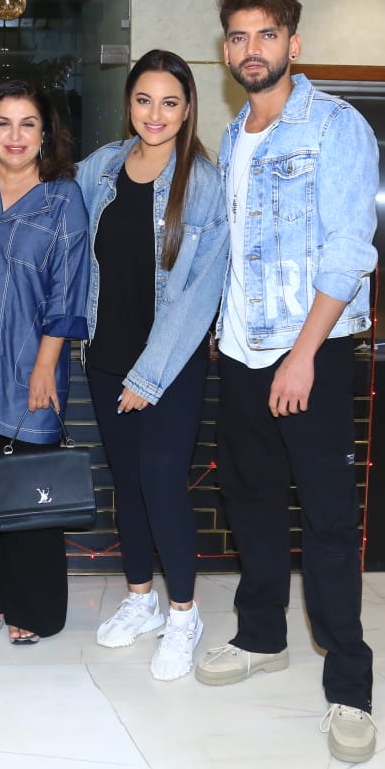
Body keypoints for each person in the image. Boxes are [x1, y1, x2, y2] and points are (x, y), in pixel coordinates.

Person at [198, 0, 380, 764]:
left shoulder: (335, 126)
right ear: (226, 49)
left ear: (293, 44)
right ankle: (261, 636)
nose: (252, 50)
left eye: (266, 35)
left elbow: (348, 250)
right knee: (251, 500)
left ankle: (350, 686)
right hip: (242, 353)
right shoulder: (233, 134)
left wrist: (303, 355)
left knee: (329, 519)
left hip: (312, 353)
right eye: (239, 37)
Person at [76, 50, 229, 680]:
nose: (155, 114)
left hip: (171, 363)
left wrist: (149, 374)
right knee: (128, 481)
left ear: (188, 108)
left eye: (170, 102)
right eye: (144, 100)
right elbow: (46, 192)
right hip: (106, 354)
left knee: (162, 478)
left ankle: (183, 614)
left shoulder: (205, 182)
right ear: (129, 103)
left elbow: (200, 291)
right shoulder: (102, 167)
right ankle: (140, 599)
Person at [0, 79, 89, 646]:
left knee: (30, 492)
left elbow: (68, 293)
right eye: (3, 123)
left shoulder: (62, 198)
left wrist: (45, 366)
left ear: (46, 133)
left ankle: (34, 605)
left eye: (28, 124)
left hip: (30, 366)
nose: (15, 135)